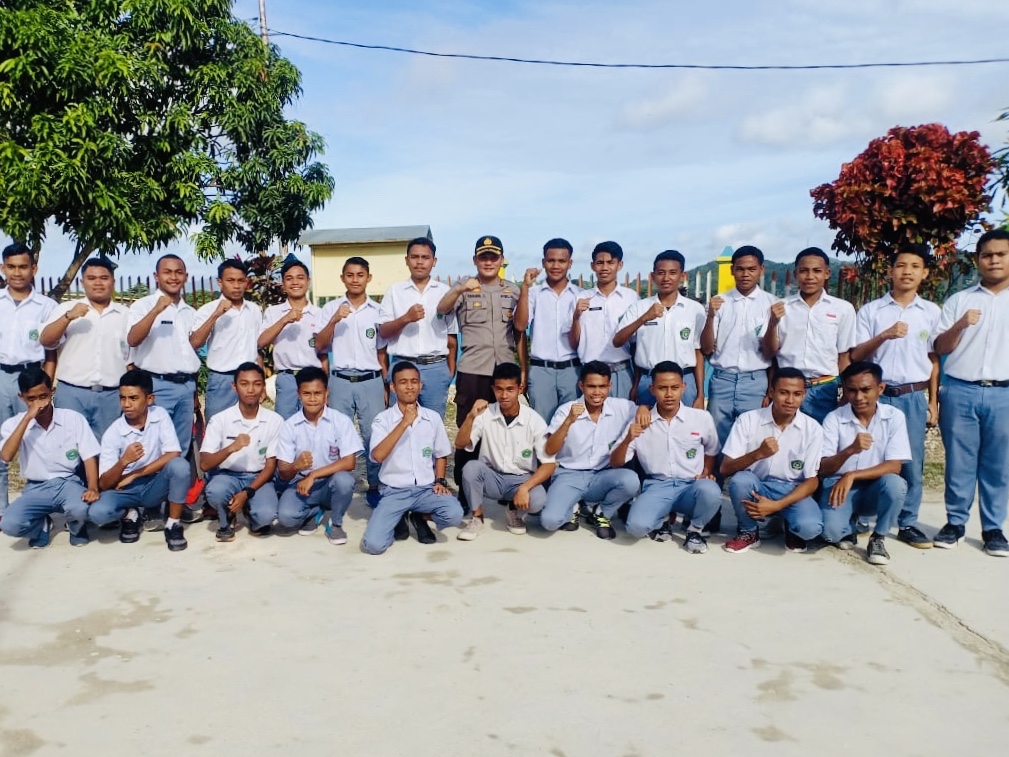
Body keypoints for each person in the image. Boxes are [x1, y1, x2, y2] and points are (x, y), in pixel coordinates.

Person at [849, 243, 940, 548]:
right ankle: (860, 515)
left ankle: (908, 522)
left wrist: (932, 400)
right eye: (901, 265)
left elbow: (934, 360)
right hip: (875, 395)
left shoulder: (931, 312)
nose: (907, 272)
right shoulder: (872, 311)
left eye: (915, 266)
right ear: (890, 271)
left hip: (912, 395)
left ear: (924, 273)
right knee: (866, 453)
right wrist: (884, 334)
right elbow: (856, 355)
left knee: (910, 460)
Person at [932, 228, 1009, 556]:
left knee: (999, 464)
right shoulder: (959, 301)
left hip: (1004, 393)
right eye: (987, 255)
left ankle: (993, 528)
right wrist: (960, 324)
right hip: (960, 389)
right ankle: (955, 522)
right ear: (977, 260)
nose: (994, 260)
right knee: (959, 462)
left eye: (1001, 254)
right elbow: (939, 346)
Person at [437, 236, 522, 506]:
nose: (488, 261)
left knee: (506, 431)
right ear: (475, 260)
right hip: (473, 371)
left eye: (493, 257)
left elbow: (520, 330)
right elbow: (441, 310)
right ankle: (466, 493)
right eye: (483, 257)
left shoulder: (513, 291)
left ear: (501, 260)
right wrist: (460, 289)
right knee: (468, 431)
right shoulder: (464, 288)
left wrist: (525, 373)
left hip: (505, 372)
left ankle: (504, 486)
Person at [609, 361, 721, 553]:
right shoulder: (640, 421)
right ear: (652, 389)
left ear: (684, 387)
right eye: (662, 388)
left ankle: (695, 530)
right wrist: (628, 439)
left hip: (690, 485)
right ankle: (662, 518)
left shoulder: (701, 418)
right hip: (657, 485)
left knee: (710, 490)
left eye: (675, 388)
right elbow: (615, 462)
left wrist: (706, 471)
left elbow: (712, 449)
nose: (669, 394)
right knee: (635, 527)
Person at [360, 361, 464, 554]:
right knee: (373, 545)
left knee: (454, 514)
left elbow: (441, 454)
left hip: (425, 490)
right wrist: (404, 423)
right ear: (393, 387)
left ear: (421, 385)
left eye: (414, 382)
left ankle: (419, 516)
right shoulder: (382, 420)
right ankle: (398, 516)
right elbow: (377, 456)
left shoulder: (432, 418)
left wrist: (440, 480)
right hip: (394, 491)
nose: (409, 387)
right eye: (403, 382)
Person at [720, 367, 824, 554]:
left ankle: (791, 527)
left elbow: (812, 480)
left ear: (804, 395)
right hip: (757, 485)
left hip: (792, 489)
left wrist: (777, 505)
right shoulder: (748, 420)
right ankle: (749, 532)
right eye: (784, 393)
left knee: (810, 529)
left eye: (797, 394)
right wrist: (757, 454)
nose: (790, 400)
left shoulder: (813, 428)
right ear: (771, 392)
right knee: (740, 480)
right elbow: (726, 468)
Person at [89, 369, 193, 551]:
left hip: (153, 484)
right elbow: (104, 484)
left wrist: (135, 474)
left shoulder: (159, 415)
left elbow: (173, 453)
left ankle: (173, 524)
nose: (126, 404)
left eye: (133, 398)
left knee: (180, 466)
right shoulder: (113, 433)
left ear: (149, 399)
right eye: (122, 398)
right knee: (98, 513)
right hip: (124, 489)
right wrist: (124, 462)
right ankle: (130, 515)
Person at [818, 362, 910, 566]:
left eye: (866, 390)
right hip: (837, 486)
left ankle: (878, 537)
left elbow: (895, 466)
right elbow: (823, 468)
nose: (859, 397)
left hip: (872, 486)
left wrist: (851, 475)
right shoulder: (834, 418)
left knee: (895, 484)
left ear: (881, 388)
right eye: (852, 390)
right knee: (831, 534)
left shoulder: (894, 417)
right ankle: (849, 526)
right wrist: (850, 449)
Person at [316, 256, 389, 507]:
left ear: (369, 278)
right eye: (350, 275)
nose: (355, 280)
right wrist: (335, 319)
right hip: (341, 381)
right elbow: (320, 345)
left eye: (360, 275)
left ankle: (376, 486)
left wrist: (385, 383)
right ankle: (338, 486)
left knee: (374, 435)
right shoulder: (331, 308)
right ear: (342, 278)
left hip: (371, 380)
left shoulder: (379, 311)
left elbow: (382, 352)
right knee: (337, 436)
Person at [0, 367, 101, 548]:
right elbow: (6, 456)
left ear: (52, 392)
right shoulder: (14, 424)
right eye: (31, 399)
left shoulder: (73, 419)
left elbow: (89, 456)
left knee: (82, 508)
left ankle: (76, 526)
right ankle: (41, 526)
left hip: (68, 482)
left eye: (43, 396)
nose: (40, 404)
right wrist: (27, 419)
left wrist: (92, 487)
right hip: (36, 487)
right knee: (9, 524)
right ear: (21, 397)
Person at [540, 361, 642, 539]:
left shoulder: (622, 407)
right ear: (581, 386)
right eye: (591, 386)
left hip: (602, 476)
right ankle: (574, 506)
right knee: (550, 521)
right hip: (569, 475)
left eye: (602, 386)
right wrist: (568, 421)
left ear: (610, 385)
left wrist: (642, 408)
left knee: (630, 481)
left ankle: (602, 512)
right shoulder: (566, 410)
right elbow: (549, 449)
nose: (597, 392)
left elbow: (645, 409)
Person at [455, 362, 555, 540]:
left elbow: (549, 464)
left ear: (520, 388)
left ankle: (513, 511)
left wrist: (525, 488)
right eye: (499, 389)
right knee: (470, 468)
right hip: (492, 477)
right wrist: (471, 416)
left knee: (538, 500)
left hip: (521, 478)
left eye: (510, 389)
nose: (504, 395)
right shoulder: (485, 414)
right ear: (493, 389)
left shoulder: (534, 420)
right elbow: (461, 443)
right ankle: (477, 517)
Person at [761, 247, 855, 423]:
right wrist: (773, 322)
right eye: (804, 271)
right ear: (796, 274)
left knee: (821, 443)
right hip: (787, 387)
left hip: (824, 387)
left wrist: (847, 393)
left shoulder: (843, 309)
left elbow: (844, 356)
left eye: (817, 271)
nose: (810, 276)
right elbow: (769, 353)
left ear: (827, 273)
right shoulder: (781, 307)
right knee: (784, 440)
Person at [40, 257, 130, 440]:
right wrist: (68, 317)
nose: (98, 283)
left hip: (111, 395)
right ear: (82, 282)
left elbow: (132, 358)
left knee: (106, 452)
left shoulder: (126, 315)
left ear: (112, 281)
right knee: (67, 449)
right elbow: (46, 340)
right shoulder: (66, 309)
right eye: (91, 278)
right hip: (72, 394)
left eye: (104, 278)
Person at [0, 241, 57, 517]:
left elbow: (51, 352)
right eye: (11, 267)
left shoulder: (46, 306)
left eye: (23, 266)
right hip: (1, 377)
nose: (17, 272)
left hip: (32, 379)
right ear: (3, 268)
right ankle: (1, 509)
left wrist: (46, 387)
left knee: (37, 445)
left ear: (34, 269)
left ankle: (38, 510)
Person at [274, 367, 362, 545]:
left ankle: (335, 523)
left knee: (344, 481)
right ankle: (314, 512)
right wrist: (296, 466)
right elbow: (283, 472)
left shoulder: (340, 421)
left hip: (330, 483)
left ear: (326, 393)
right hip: (302, 484)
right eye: (307, 393)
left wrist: (314, 474)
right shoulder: (290, 426)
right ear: (299, 394)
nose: (312, 399)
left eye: (317, 393)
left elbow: (349, 462)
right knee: (286, 518)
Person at [700, 245, 777, 446]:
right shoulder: (719, 302)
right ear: (732, 270)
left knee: (753, 435)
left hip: (755, 380)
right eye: (740, 269)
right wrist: (710, 317)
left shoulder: (772, 304)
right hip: (722, 379)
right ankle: (715, 476)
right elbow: (707, 348)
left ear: (762, 269)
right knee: (717, 436)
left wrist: (770, 389)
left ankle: (746, 478)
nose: (745, 274)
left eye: (751, 269)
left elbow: (773, 354)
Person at [199, 362, 283, 541]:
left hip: (259, 478)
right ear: (234, 387)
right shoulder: (220, 419)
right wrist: (231, 448)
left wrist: (246, 494)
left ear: (263, 388)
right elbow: (205, 464)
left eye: (257, 384)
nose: (251, 389)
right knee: (216, 491)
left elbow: (270, 467)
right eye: (244, 384)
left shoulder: (275, 421)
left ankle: (251, 513)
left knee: (267, 515)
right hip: (227, 476)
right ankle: (226, 517)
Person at [126, 254, 200, 455]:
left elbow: (190, 354)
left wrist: (193, 392)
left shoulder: (190, 312)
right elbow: (132, 339)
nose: (173, 277)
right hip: (156, 386)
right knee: (153, 445)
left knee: (181, 447)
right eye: (167, 272)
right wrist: (156, 311)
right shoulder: (142, 306)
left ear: (186, 276)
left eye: (178, 272)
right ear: (156, 276)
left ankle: (177, 486)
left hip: (185, 387)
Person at [613, 250, 706, 408]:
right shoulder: (639, 307)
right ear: (652, 276)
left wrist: (701, 393)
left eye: (672, 273)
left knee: (685, 430)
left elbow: (698, 352)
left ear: (682, 276)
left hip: (684, 381)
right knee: (646, 429)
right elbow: (618, 341)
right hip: (648, 380)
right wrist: (644, 318)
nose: (666, 278)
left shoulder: (695, 309)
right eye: (661, 273)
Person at [378, 237, 457, 419]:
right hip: (402, 364)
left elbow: (452, 337)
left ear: (434, 261)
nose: (419, 262)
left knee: (433, 423)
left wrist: (449, 373)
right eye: (414, 257)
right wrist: (406, 318)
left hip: (435, 368)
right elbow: (383, 332)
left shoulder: (445, 292)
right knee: (399, 422)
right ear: (407, 260)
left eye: (425, 257)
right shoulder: (394, 292)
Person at [513, 238, 582, 422]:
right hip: (541, 370)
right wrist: (525, 288)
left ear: (570, 263)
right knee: (541, 426)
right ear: (543, 262)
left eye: (562, 261)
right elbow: (519, 325)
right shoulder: (534, 294)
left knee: (572, 427)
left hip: (572, 370)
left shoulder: (580, 295)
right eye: (551, 260)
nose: (556, 265)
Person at [190, 259, 263, 420]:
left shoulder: (254, 310)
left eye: (240, 281)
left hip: (249, 379)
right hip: (221, 380)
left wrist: (261, 381)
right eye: (230, 280)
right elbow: (195, 343)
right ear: (220, 282)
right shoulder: (207, 310)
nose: (236, 286)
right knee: (217, 431)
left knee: (251, 430)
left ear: (246, 282)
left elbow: (256, 348)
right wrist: (216, 315)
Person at [259, 256, 327, 419]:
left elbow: (324, 353)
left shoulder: (320, 314)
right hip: (286, 379)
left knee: (315, 426)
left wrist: (327, 383)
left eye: (300, 278)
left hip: (313, 377)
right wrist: (285, 320)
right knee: (285, 427)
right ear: (283, 285)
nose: (295, 282)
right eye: (289, 279)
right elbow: (261, 342)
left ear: (308, 281)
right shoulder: (273, 312)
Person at [569, 241, 638, 399]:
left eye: (610, 262)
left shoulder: (631, 298)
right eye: (600, 263)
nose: (605, 268)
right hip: (590, 375)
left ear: (620, 265)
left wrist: (636, 380)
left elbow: (636, 343)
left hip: (621, 372)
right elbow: (573, 343)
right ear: (593, 266)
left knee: (623, 420)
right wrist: (576, 317)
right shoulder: (581, 298)